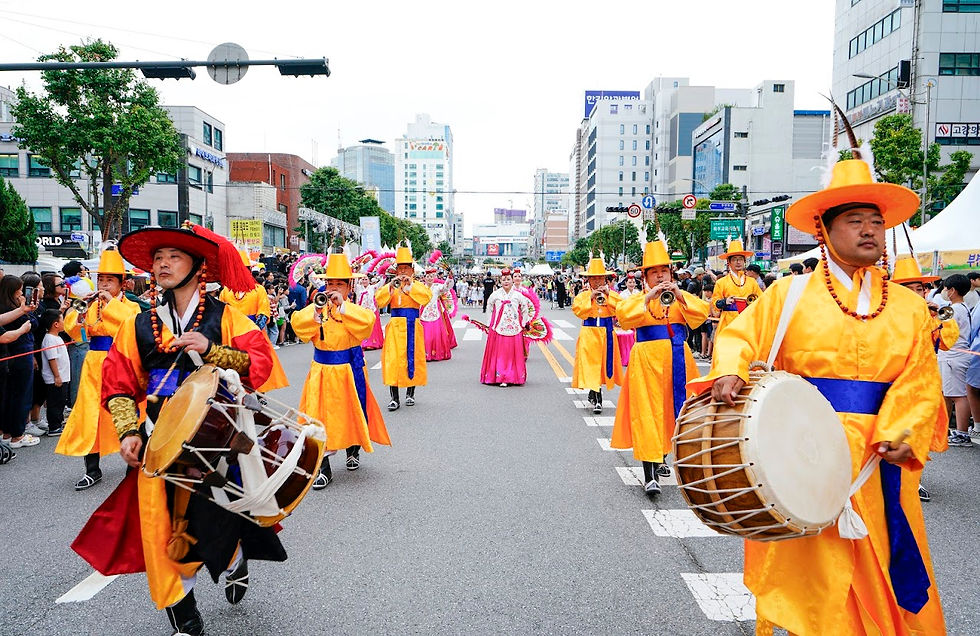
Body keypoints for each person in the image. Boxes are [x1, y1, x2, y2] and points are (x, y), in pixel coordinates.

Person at [688, 156, 946, 634]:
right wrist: (728, 370)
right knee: (809, 584)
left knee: (887, 571)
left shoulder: (910, 308)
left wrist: (904, 431)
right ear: (823, 232)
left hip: (876, 462)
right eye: (855, 221)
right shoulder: (788, 294)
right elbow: (738, 337)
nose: (870, 231)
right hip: (802, 458)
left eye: (877, 223)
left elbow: (920, 380)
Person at [71, 223, 284, 636]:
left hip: (217, 438)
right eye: (158, 258)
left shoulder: (226, 317)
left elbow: (260, 365)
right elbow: (118, 383)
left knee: (217, 520)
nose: (163, 264)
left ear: (198, 268)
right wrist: (129, 430)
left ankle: (235, 555)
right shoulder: (137, 324)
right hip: (158, 439)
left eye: (174, 257)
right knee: (160, 527)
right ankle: (184, 616)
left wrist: (212, 350)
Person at [612, 240, 709, 494]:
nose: (660, 277)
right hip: (646, 360)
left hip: (678, 359)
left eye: (663, 272)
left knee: (676, 410)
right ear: (645, 276)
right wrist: (648, 297)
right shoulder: (637, 299)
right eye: (653, 273)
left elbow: (701, 315)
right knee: (647, 411)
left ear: (671, 273)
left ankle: (667, 455)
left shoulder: (679, 297)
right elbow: (623, 316)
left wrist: (679, 295)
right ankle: (649, 472)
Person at [291, 252, 390, 488]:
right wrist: (316, 313)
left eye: (339, 284)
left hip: (348, 371)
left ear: (349, 286)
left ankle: (353, 449)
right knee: (319, 417)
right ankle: (322, 467)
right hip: (322, 372)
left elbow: (367, 323)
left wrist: (342, 306)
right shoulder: (318, 309)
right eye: (330, 283)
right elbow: (299, 326)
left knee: (352, 412)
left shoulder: (353, 310)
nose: (333, 288)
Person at [55, 247, 142, 490]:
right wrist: (79, 315)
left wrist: (111, 303)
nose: (103, 284)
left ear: (121, 284)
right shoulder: (90, 304)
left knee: (129, 413)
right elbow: (75, 332)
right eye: (101, 279)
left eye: (109, 280)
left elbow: (131, 326)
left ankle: (132, 467)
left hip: (121, 361)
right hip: (94, 365)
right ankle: (92, 470)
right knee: (89, 415)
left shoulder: (131, 306)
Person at [891, 256, 956, 502]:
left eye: (922, 288)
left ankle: (913, 479)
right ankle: (900, 479)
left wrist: (939, 317)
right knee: (898, 435)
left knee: (918, 434)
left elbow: (948, 342)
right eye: (914, 289)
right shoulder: (888, 314)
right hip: (896, 384)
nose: (921, 293)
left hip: (923, 384)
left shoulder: (929, 314)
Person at [219, 249, 289, 392]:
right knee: (233, 365)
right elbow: (221, 313)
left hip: (253, 333)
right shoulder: (226, 291)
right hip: (232, 335)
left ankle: (259, 392)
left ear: (249, 270)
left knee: (257, 364)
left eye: (243, 269)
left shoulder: (258, 290)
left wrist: (252, 332)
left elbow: (263, 313)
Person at [375, 245, 432, 411]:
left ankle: (410, 393)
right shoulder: (392, 285)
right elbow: (379, 301)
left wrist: (410, 287)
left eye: (406, 268)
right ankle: (394, 398)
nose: (403, 271)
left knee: (411, 359)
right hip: (395, 327)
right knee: (392, 361)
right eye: (400, 268)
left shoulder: (417, 285)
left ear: (412, 270)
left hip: (412, 325)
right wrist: (391, 287)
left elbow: (425, 298)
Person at [572, 257, 623, 414]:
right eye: (593, 278)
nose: (597, 281)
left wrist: (608, 296)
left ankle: (594, 391)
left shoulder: (612, 294)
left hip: (607, 334)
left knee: (603, 366)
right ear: (588, 280)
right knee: (591, 366)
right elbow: (578, 311)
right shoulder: (583, 295)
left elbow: (621, 309)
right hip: (589, 333)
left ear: (605, 279)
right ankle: (598, 398)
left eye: (600, 278)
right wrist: (591, 297)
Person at [0, 277, 39, 449]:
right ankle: (17, 434)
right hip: (18, 355)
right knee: (20, 395)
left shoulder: (10, 308)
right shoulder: (8, 307)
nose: (22, 293)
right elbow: (8, 336)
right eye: (20, 289)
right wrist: (23, 325)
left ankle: (9, 433)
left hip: (13, 357)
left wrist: (24, 309)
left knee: (10, 395)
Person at [480, 268, 533, 387]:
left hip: (514, 327)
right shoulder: (496, 294)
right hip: (499, 327)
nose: (506, 282)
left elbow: (525, 308)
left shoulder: (518, 295)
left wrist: (524, 322)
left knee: (513, 353)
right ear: (500, 281)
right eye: (503, 279)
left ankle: (512, 376)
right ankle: (500, 376)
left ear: (512, 281)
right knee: (500, 353)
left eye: (508, 279)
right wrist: (490, 322)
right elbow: (489, 306)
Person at [938, 274, 974, 448]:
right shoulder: (963, 307)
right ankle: (944, 429)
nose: (944, 292)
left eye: (946, 289)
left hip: (954, 356)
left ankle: (962, 433)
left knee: (958, 396)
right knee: (948, 394)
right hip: (954, 355)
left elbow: (938, 324)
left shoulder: (954, 309)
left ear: (952, 291)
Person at [708, 237, 763, 340]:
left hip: (747, 322)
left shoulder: (752, 282)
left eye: (741, 259)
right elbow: (715, 302)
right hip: (728, 322)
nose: (738, 262)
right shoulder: (721, 282)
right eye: (734, 259)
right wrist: (724, 301)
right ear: (729, 262)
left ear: (744, 261)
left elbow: (761, 300)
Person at [38, 309, 70, 437]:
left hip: (62, 376)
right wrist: (57, 376)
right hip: (56, 378)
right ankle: (54, 426)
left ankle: (58, 422)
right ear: (56, 324)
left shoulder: (56, 337)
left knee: (60, 400)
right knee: (55, 402)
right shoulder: (50, 339)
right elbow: (52, 359)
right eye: (62, 320)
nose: (64, 322)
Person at [420, 267, 453, 361]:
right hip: (424, 313)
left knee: (436, 335)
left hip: (435, 313)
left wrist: (449, 277)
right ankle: (425, 354)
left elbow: (446, 287)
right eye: (428, 276)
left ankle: (437, 353)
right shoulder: (421, 288)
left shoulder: (438, 287)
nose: (430, 278)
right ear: (424, 278)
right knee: (425, 335)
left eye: (431, 276)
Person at [615, 273, 640, 367]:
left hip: (636, 317)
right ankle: (627, 357)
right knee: (628, 338)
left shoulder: (638, 293)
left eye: (633, 282)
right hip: (626, 317)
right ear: (626, 283)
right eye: (630, 282)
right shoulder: (622, 294)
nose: (632, 284)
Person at [355, 275, 384, 350]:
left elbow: (381, 283)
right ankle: (362, 343)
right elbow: (354, 282)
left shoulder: (372, 288)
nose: (364, 281)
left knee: (372, 327)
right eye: (363, 279)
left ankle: (372, 343)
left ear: (369, 280)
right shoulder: (358, 288)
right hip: (361, 311)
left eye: (366, 279)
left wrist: (383, 274)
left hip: (371, 311)